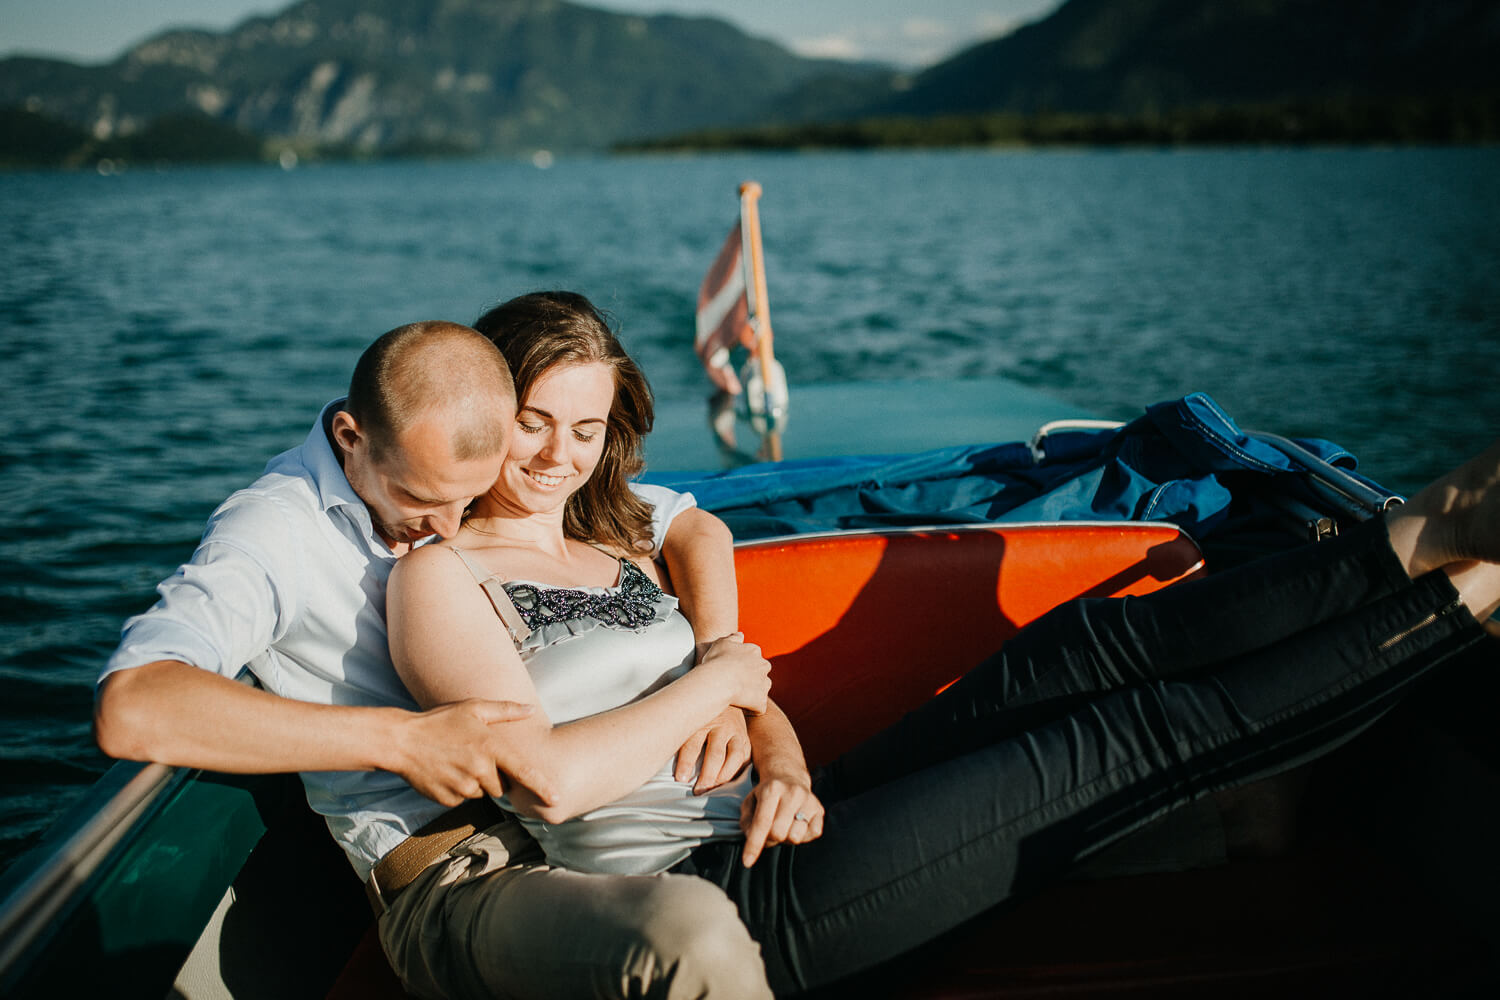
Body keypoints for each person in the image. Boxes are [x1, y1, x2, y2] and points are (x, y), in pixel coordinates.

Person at [385, 291, 1500, 997]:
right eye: (533, 423)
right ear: (486, 409)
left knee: (1073, 656)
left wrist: (769, 738)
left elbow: (708, 578)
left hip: (793, 808)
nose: (557, 457)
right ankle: (1472, 594)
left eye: (587, 431)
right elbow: (552, 782)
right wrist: (727, 673)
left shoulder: (618, 536)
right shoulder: (443, 579)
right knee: (1122, 739)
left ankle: (1416, 535)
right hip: (709, 892)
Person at [94, 320, 775, 1000]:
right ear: (350, 441)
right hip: (462, 866)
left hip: (606, 820)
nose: (449, 530)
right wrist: (403, 741)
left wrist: (724, 671)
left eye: (467, 500)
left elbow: (680, 519)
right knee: (691, 933)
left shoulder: (445, 451)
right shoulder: (276, 533)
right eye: (422, 500)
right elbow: (134, 704)